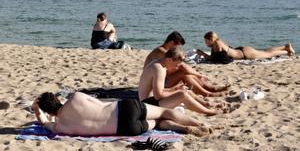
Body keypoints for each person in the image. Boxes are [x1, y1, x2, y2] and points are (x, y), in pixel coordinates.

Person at [32, 91, 214, 137]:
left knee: (158, 122)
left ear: (49, 112)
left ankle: (185, 129)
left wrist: (36, 110)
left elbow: (42, 123)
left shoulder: (60, 127)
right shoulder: (76, 98)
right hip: (124, 108)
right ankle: (200, 125)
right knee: (166, 111)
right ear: (57, 99)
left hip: (126, 128)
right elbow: (99, 103)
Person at [139, 47, 223, 116]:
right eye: (176, 65)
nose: (176, 68)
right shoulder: (159, 69)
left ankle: (205, 104)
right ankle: (209, 112)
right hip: (147, 104)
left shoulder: (161, 65)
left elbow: (158, 91)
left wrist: (175, 88)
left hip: (152, 99)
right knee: (183, 94)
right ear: (169, 60)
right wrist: (177, 90)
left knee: (186, 91)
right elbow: (158, 96)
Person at [144, 31, 229, 97]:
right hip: (154, 85)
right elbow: (182, 65)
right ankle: (207, 92)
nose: (178, 49)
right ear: (171, 43)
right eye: (178, 46)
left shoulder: (166, 52)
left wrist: (196, 74)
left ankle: (209, 89)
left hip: (161, 80)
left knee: (185, 72)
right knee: (184, 72)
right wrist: (199, 75)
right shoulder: (161, 52)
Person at [197, 31, 296, 63]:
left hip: (246, 54)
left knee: (268, 54)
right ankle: (284, 46)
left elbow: (222, 60)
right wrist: (203, 54)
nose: (205, 42)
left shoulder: (217, 45)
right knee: (265, 51)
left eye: (206, 40)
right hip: (242, 50)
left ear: (211, 39)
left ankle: (286, 52)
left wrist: (203, 54)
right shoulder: (217, 43)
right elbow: (215, 58)